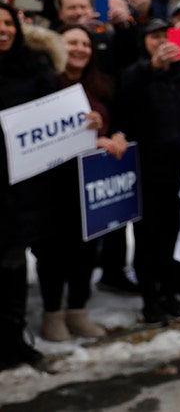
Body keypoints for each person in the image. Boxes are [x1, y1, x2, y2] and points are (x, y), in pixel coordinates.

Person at [31, 25, 129, 341]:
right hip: (51, 187)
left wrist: (114, 136)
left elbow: (117, 121)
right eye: (72, 42)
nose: (80, 48)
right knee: (53, 254)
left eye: (86, 43)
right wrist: (86, 137)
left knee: (84, 252)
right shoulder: (44, 83)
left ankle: (78, 311)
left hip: (87, 186)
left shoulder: (100, 85)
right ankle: (52, 315)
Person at [0, 3, 75, 371]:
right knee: (6, 265)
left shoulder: (36, 67)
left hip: (35, 185)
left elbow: (57, 115)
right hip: (2, 191)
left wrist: (85, 120)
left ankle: (18, 339)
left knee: (33, 262)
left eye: (7, 22)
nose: (2, 29)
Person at [118, 18, 180, 324]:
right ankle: (149, 299)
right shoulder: (135, 75)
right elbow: (125, 104)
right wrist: (151, 68)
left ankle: (169, 293)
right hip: (147, 172)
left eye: (167, 37)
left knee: (172, 236)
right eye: (155, 37)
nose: (162, 43)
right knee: (147, 239)